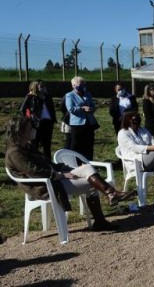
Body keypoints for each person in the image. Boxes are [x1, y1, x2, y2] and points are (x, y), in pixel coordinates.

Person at [4, 115, 137, 231]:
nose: (33, 129)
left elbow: (50, 165)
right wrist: (61, 175)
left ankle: (110, 195)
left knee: (86, 169)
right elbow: (34, 171)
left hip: (55, 179)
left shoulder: (26, 147)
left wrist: (67, 169)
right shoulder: (15, 152)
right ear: (20, 131)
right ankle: (105, 210)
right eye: (29, 127)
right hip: (46, 186)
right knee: (92, 182)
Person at [19, 79, 57, 159]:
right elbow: (22, 109)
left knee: (47, 144)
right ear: (35, 87)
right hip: (37, 123)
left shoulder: (48, 96)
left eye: (44, 86)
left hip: (48, 122)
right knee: (35, 143)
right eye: (41, 86)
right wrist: (30, 119)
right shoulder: (30, 97)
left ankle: (48, 162)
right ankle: (34, 160)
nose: (44, 88)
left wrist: (53, 119)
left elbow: (51, 109)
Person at [65, 76, 100, 160]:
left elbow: (93, 105)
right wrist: (82, 108)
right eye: (79, 84)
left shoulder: (87, 94)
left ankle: (88, 163)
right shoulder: (70, 95)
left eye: (83, 84)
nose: (81, 86)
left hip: (89, 123)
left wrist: (92, 108)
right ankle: (74, 163)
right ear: (73, 85)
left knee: (89, 144)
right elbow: (71, 109)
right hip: (77, 124)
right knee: (76, 145)